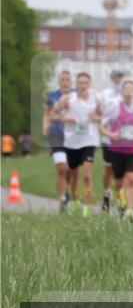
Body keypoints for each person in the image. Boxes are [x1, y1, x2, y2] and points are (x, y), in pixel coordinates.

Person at [100, 80, 133, 219]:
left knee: (132, 179)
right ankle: (121, 202)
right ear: (122, 92)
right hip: (117, 151)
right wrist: (111, 134)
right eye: (126, 90)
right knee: (118, 183)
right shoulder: (114, 108)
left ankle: (130, 210)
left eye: (132, 90)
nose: (129, 92)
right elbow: (103, 126)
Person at [52, 72, 102, 215]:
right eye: (80, 83)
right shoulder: (67, 99)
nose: (83, 85)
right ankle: (75, 202)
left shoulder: (95, 99)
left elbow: (103, 117)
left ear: (90, 84)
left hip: (89, 141)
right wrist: (64, 118)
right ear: (76, 84)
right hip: (72, 143)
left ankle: (87, 207)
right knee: (73, 175)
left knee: (87, 175)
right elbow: (53, 115)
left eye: (86, 83)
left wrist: (96, 117)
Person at [43, 70, 74, 210]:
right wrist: (45, 125)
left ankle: (67, 192)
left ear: (71, 81)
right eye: (62, 79)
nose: (65, 81)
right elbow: (47, 113)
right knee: (61, 168)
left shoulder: (76, 96)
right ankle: (62, 200)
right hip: (56, 134)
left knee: (70, 170)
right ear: (58, 81)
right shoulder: (52, 96)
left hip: (73, 136)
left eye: (67, 79)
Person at [99, 70, 126, 212]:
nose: (118, 79)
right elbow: (99, 112)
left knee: (120, 173)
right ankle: (106, 194)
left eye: (120, 76)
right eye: (116, 76)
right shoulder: (105, 94)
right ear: (111, 78)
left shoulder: (128, 93)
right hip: (108, 138)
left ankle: (121, 202)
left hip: (124, 140)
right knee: (109, 170)